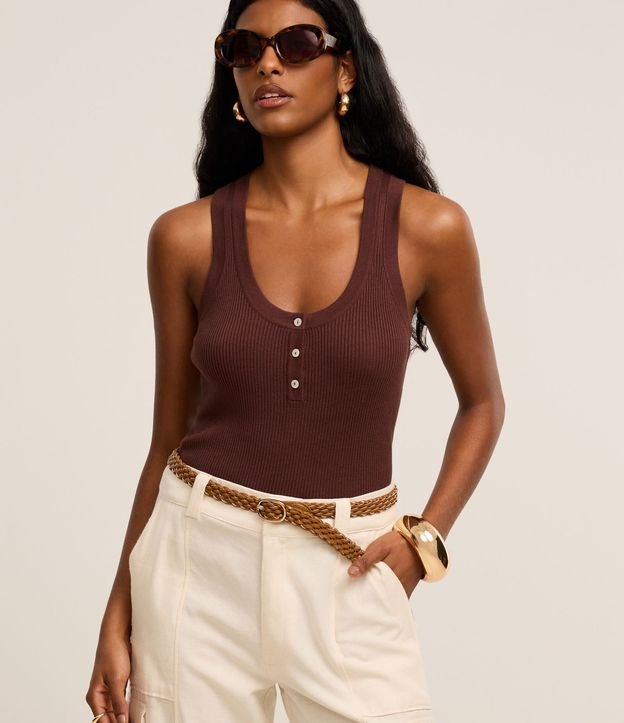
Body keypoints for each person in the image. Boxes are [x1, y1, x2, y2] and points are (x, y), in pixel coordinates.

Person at [86, 1, 505, 722]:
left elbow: (483, 404)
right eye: (244, 49)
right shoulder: (185, 238)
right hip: (197, 565)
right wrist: (117, 613)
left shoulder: (428, 228)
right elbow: (168, 438)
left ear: (346, 70)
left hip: (351, 563)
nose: (268, 64)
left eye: (297, 44)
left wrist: (425, 539)